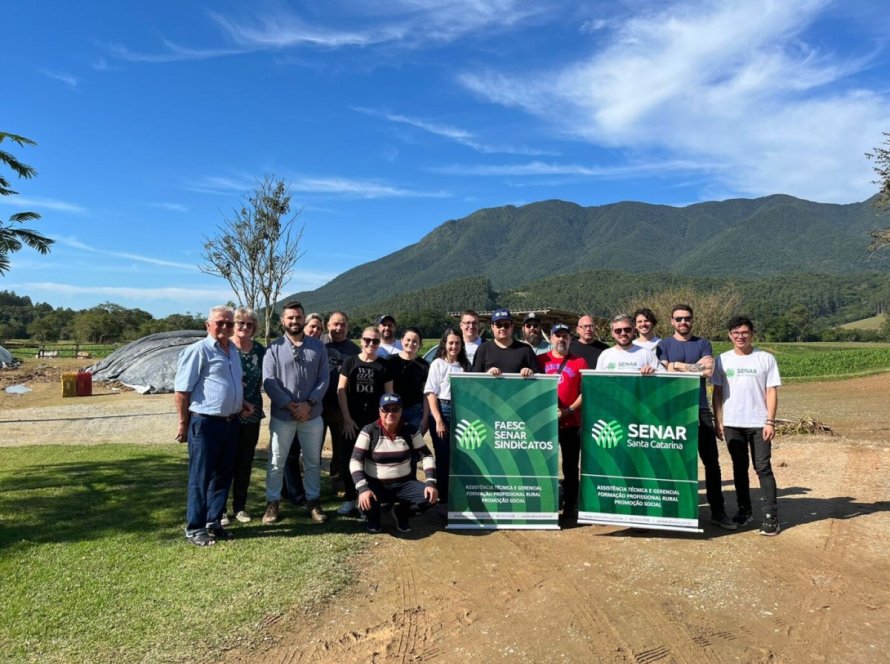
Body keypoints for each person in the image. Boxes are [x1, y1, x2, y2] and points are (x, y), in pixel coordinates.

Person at [174, 305, 253, 547]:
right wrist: (183, 423)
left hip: (230, 423)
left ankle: (213, 522)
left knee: (223, 476)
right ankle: (195, 527)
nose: (225, 327)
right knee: (201, 476)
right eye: (220, 322)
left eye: (230, 323)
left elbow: (226, 384)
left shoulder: (233, 352)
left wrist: (240, 402)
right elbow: (181, 391)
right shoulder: (198, 351)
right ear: (208, 325)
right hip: (205, 423)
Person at [659, 304, 734, 530]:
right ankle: (673, 510)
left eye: (687, 318)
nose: (683, 322)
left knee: (711, 463)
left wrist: (677, 365)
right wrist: (691, 367)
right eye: (679, 319)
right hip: (672, 412)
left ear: (692, 320)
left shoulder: (703, 344)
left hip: (700, 410)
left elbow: (708, 372)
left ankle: (718, 511)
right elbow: (665, 373)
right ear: (672, 321)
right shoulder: (663, 345)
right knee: (672, 462)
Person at [712, 315, 782, 536]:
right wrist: (718, 420)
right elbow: (717, 392)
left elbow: (771, 390)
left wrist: (770, 420)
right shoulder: (721, 360)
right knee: (739, 469)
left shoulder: (765, 358)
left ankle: (771, 517)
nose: (740, 336)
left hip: (759, 423)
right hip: (733, 423)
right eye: (736, 333)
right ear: (729, 335)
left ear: (752, 334)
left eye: (744, 332)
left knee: (763, 468)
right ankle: (745, 510)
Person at [261, 301, 330, 525]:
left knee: (312, 461)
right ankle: (272, 503)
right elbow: (269, 382)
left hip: (311, 415)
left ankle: (313, 501)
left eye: (298, 317)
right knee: (276, 461)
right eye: (290, 318)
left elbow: (324, 379)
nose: (294, 321)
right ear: (282, 321)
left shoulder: (318, 347)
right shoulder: (273, 348)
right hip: (284, 416)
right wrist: (291, 405)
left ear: (304, 319)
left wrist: (308, 404)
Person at [351, 394, 439, 533]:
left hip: (404, 484)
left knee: (430, 498)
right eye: (386, 409)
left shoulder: (410, 430)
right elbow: (355, 460)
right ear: (379, 411)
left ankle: (401, 513)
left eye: (395, 409)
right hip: (376, 484)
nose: (390, 413)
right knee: (365, 502)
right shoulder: (369, 431)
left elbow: (426, 455)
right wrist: (362, 488)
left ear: (401, 411)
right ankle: (374, 518)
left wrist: (430, 482)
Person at [337, 326, 394, 515]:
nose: (371, 344)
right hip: (351, 420)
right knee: (349, 458)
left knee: (371, 461)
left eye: (375, 341)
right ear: (361, 340)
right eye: (367, 340)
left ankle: (368, 501)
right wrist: (346, 418)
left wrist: (384, 423)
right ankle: (349, 498)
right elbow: (341, 390)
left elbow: (389, 396)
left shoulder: (384, 366)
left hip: (373, 423)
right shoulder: (349, 362)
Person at [537, 323, 588, 525]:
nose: (561, 339)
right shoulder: (540, 360)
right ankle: (544, 504)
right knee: (542, 465)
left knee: (570, 466)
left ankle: (570, 506)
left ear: (570, 339)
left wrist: (569, 410)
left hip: (571, 422)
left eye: (565, 336)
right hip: (545, 425)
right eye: (557, 336)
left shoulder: (580, 361)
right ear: (550, 339)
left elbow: (586, 391)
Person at [223, 307, 265, 525]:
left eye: (249, 324)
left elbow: (262, 381)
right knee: (224, 461)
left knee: (245, 462)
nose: (244, 327)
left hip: (252, 414)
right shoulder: (225, 348)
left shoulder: (260, 350)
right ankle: (220, 509)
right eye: (240, 323)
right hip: (229, 413)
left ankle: (240, 507)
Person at [423, 327, 470, 512]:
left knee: (460, 458)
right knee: (443, 458)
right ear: (445, 343)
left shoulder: (465, 365)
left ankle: (457, 497)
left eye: (457, 343)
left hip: (462, 412)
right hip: (443, 410)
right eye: (451, 342)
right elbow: (430, 393)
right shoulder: (438, 364)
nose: (454, 346)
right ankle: (443, 501)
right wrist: (438, 420)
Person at [322, 311, 359, 486]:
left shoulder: (354, 349)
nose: (339, 328)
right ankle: (312, 485)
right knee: (312, 448)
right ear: (328, 325)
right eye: (335, 324)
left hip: (341, 408)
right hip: (316, 406)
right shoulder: (318, 344)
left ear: (348, 327)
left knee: (340, 448)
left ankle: (337, 481)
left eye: (343, 324)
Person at [471, 308, 537, 376]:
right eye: (498, 325)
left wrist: (530, 372)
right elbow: (474, 379)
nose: (502, 328)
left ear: (512, 326)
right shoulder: (483, 349)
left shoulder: (526, 349)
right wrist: (487, 375)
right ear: (492, 327)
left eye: (506, 325)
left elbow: (540, 377)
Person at [388, 327, 430, 431]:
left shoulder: (424, 365)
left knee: (413, 444)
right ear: (402, 340)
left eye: (415, 341)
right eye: (408, 340)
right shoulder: (390, 361)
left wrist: (425, 418)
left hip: (414, 411)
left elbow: (427, 393)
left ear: (420, 344)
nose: (411, 343)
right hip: (393, 409)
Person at [595, 314, 662, 374]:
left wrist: (654, 372)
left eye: (627, 329)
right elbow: (598, 381)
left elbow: (664, 377)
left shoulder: (646, 354)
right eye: (618, 331)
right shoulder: (605, 355)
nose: (623, 333)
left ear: (634, 331)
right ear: (612, 333)